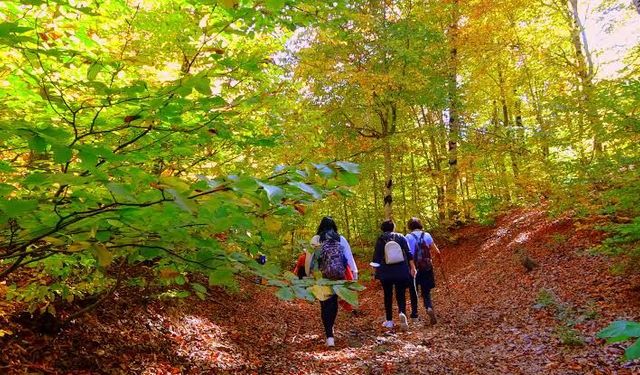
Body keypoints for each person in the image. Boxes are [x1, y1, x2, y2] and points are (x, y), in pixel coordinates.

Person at [309, 216, 358, 347]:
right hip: (338, 275)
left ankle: (329, 335)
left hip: (322, 276)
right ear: (334, 226)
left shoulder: (316, 239)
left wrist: (308, 274)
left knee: (325, 304)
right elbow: (348, 256)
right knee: (334, 303)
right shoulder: (340, 239)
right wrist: (354, 272)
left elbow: (311, 259)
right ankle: (331, 329)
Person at [371, 219, 416, 329]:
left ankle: (389, 320)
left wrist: (374, 272)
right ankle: (402, 313)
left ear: (382, 228)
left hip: (385, 271)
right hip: (401, 270)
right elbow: (409, 253)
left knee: (388, 295)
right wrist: (412, 267)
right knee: (400, 294)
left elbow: (376, 257)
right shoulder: (400, 237)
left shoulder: (381, 239)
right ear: (393, 227)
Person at [405, 217, 441, 325]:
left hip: (413, 267)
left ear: (410, 226)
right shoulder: (427, 235)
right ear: (420, 224)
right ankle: (429, 307)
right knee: (426, 291)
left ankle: (415, 315)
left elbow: (407, 254)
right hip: (427, 266)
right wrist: (439, 260)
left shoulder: (407, 237)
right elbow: (437, 251)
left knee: (413, 291)